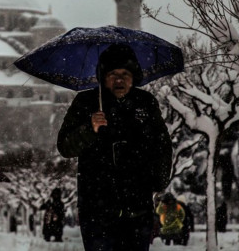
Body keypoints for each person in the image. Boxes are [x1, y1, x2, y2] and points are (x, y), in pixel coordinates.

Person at [57, 44, 173, 250]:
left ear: (133, 76)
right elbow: (65, 146)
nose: (119, 80)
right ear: (103, 76)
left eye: (125, 74)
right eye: (112, 74)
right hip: (97, 210)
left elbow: (162, 145)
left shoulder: (145, 103)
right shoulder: (86, 102)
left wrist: (158, 181)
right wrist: (89, 129)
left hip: (137, 209)